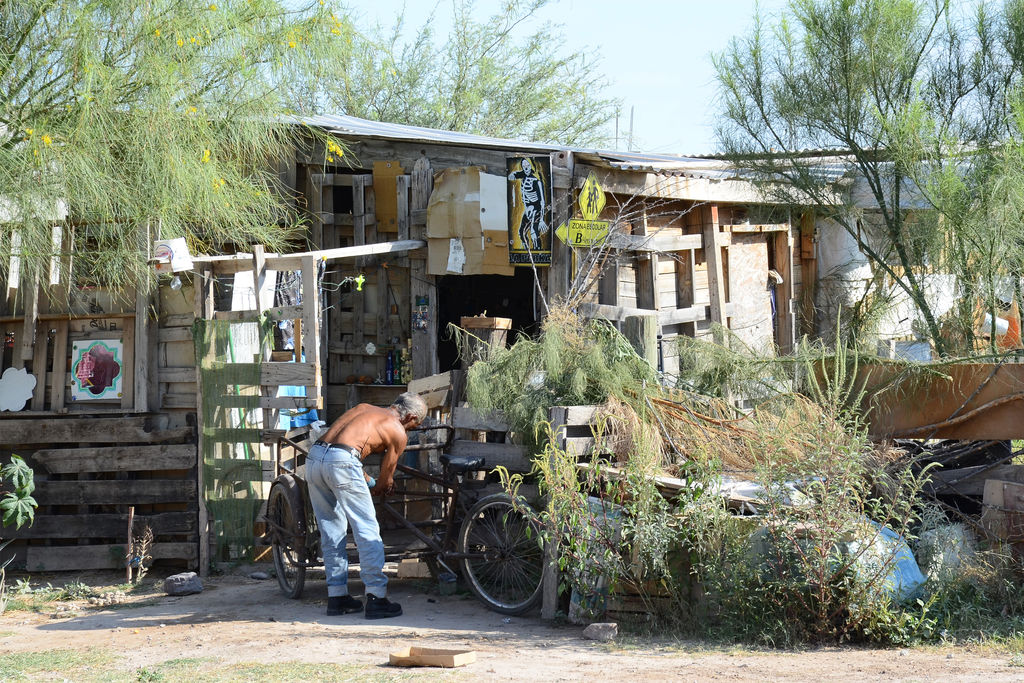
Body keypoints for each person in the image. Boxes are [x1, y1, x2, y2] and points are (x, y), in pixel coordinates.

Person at [305, 392, 428, 619]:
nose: (411, 430)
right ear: (410, 417)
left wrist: (368, 481)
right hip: (342, 462)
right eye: (414, 425)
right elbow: (384, 482)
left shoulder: (363, 407)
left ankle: (337, 598)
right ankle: (376, 598)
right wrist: (380, 486)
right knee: (367, 530)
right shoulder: (397, 430)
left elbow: (342, 451)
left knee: (331, 531)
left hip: (315, 457)